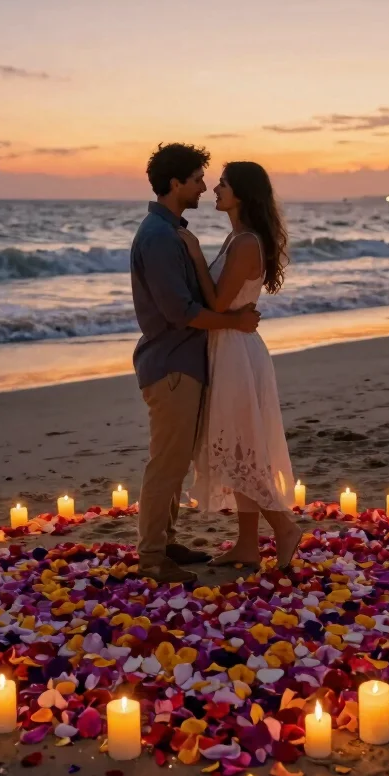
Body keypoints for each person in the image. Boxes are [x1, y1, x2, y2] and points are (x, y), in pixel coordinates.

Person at [131, 143, 261, 583]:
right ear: (175, 183)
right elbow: (180, 311)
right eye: (197, 179)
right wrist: (234, 322)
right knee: (166, 463)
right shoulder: (159, 236)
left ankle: (165, 541)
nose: (204, 187)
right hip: (172, 364)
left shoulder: (172, 233)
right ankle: (152, 557)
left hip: (183, 361)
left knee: (174, 461)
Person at [178, 161, 301, 569]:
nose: (215, 189)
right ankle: (248, 544)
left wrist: (194, 255)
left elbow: (216, 302)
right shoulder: (237, 238)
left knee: (240, 451)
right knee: (238, 449)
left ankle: (283, 527)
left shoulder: (246, 242)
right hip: (229, 345)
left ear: (242, 193)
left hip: (235, 352)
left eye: (223, 184)